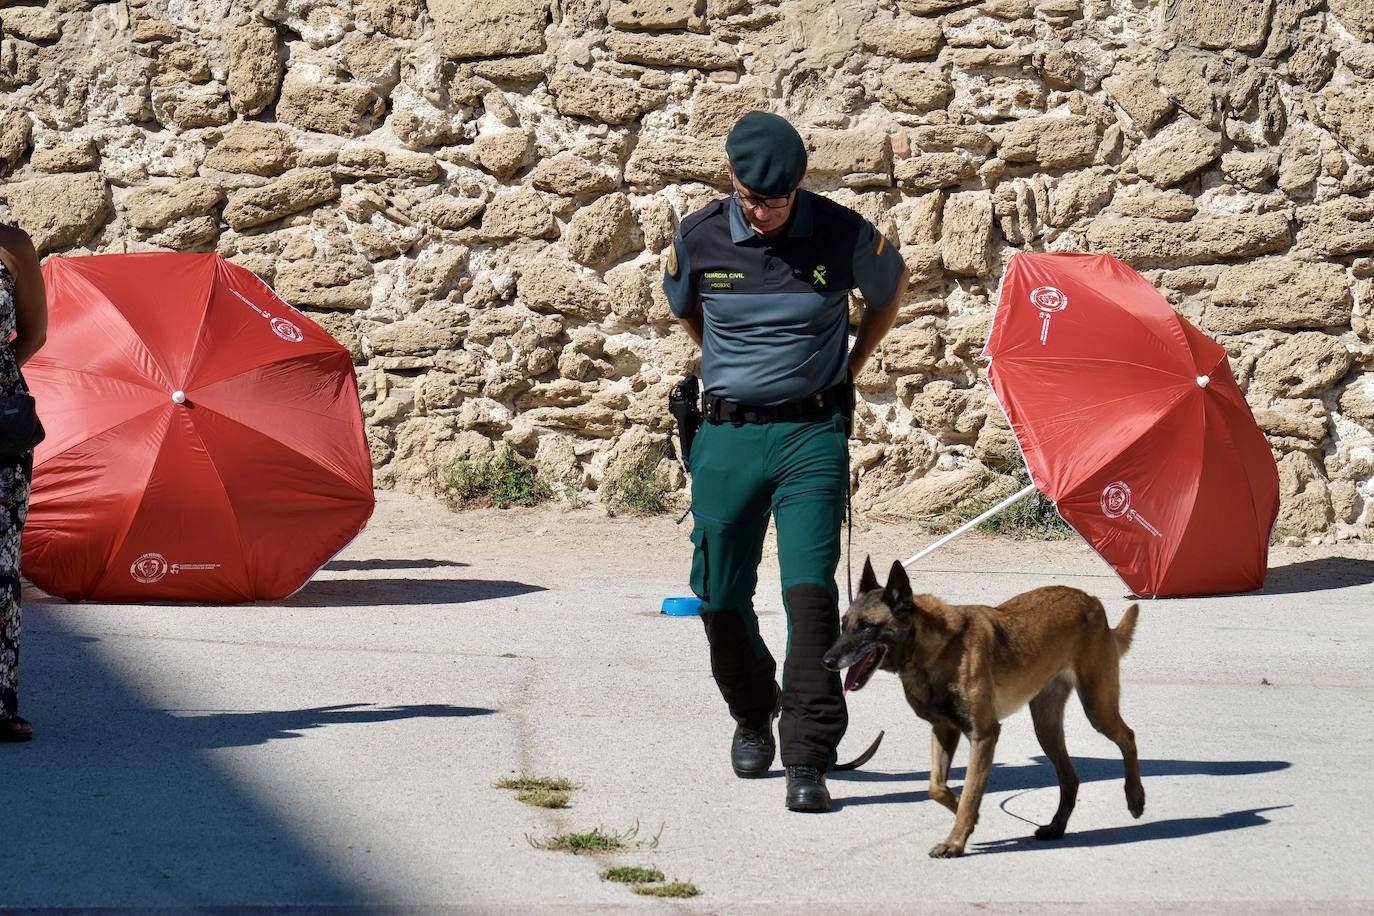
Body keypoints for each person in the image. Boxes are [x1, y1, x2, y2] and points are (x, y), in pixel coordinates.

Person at [662, 112, 908, 811]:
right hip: (728, 436)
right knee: (718, 596)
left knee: (811, 597)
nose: (759, 212)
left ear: (798, 186)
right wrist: (731, 365)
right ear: (732, 180)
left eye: (772, 201)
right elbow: (690, 313)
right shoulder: (699, 235)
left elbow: (890, 292)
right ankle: (751, 710)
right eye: (747, 198)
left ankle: (808, 754)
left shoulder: (844, 232)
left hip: (811, 436)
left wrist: (851, 364)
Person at [0, 156, 49, 743]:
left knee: (1, 560)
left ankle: (1, 702)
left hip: (2, 420)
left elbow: (33, 334)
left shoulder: (13, 246)